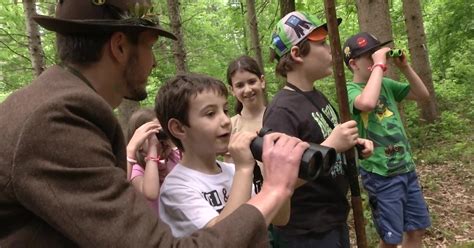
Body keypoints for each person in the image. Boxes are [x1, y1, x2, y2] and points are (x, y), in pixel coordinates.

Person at [0, 0, 310, 246]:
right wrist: (274, 190)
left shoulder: (46, 102)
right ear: (120, 46)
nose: (155, 61)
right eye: (149, 45)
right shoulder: (60, 118)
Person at [263, 11, 374, 247]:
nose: (329, 49)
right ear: (296, 54)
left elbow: (325, 144)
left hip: (333, 220)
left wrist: (352, 146)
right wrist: (332, 145)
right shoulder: (281, 111)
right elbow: (279, 182)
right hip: (306, 232)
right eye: (322, 44)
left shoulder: (315, 96)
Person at [155, 73, 293, 237]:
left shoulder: (232, 171)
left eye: (225, 110)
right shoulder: (176, 188)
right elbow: (225, 238)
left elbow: (280, 219)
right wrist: (243, 169)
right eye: (210, 113)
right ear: (179, 128)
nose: (226, 120)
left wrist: (276, 171)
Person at [343, 32, 431, 248]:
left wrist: (405, 67)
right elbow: (368, 103)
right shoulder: (350, 90)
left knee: (416, 229)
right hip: (381, 174)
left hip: (405, 169)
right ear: (354, 64)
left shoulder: (387, 85)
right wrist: (380, 66)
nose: (376, 59)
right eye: (370, 57)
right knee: (391, 238)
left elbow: (423, 95)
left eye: (377, 54)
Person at [125, 108, 180, 213]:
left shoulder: (174, 157)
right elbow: (151, 193)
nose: (159, 138)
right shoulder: (136, 169)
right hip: (156, 226)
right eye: (153, 135)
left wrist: (171, 140)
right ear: (139, 144)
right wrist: (153, 147)